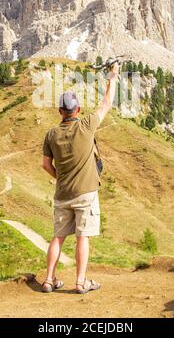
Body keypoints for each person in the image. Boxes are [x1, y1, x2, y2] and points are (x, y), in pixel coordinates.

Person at [41, 62, 119, 294]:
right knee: (82, 237)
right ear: (78, 109)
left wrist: (60, 178)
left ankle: (48, 280)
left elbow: (45, 165)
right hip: (86, 192)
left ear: (60, 112)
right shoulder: (87, 125)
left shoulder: (51, 134)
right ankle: (81, 282)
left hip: (62, 193)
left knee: (58, 237)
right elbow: (106, 103)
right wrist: (112, 77)